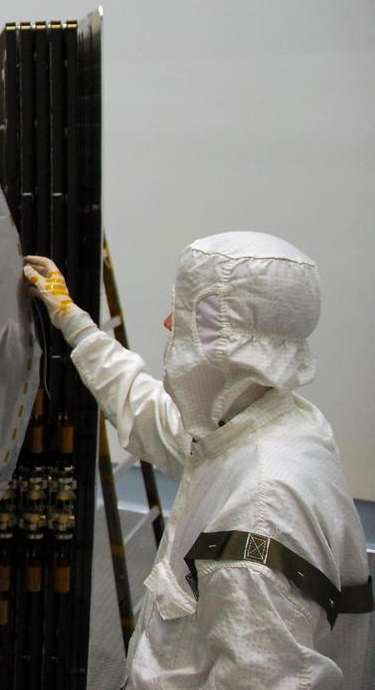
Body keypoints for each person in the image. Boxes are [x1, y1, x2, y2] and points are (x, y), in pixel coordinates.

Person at [24, 233, 372, 688]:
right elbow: (145, 407)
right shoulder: (264, 427)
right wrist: (73, 321)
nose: (169, 322)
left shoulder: (258, 516)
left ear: (227, 341)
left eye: (187, 314)